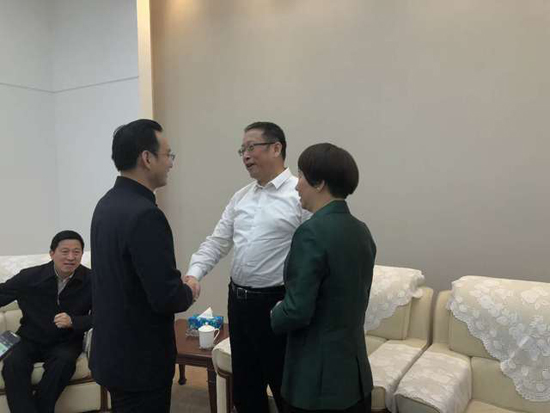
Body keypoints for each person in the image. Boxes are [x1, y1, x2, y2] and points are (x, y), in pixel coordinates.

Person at [186, 121, 309, 412]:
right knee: (246, 389)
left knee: (285, 388)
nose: (245, 155)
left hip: (277, 304)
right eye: (242, 150)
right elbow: (217, 242)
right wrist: (193, 274)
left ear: (276, 148)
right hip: (239, 303)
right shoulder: (241, 197)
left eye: (251, 147)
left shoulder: (300, 195)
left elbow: (314, 254)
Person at [90, 119, 196, 412]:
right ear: (147, 158)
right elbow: (166, 297)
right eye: (168, 155)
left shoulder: (106, 204)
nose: (171, 163)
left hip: (112, 353)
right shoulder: (145, 215)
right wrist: (189, 289)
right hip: (140, 361)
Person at [271, 143, 376, 413]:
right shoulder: (361, 231)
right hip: (355, 376)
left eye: (301, 177)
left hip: (315, 381)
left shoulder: (311, 233)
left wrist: (275, 313)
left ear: (319, 184)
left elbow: (297, 310)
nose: (297, 185)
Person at [0, 230, 92, 413]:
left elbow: (104, 315)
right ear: (52, 253)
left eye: (76, 252)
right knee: (13, 364)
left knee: (63, 363)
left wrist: (74, 321)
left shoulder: (92, 280)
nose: (71, 257)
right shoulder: (30, 277)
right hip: (29, 338)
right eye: (65, 251)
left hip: (66, 341)